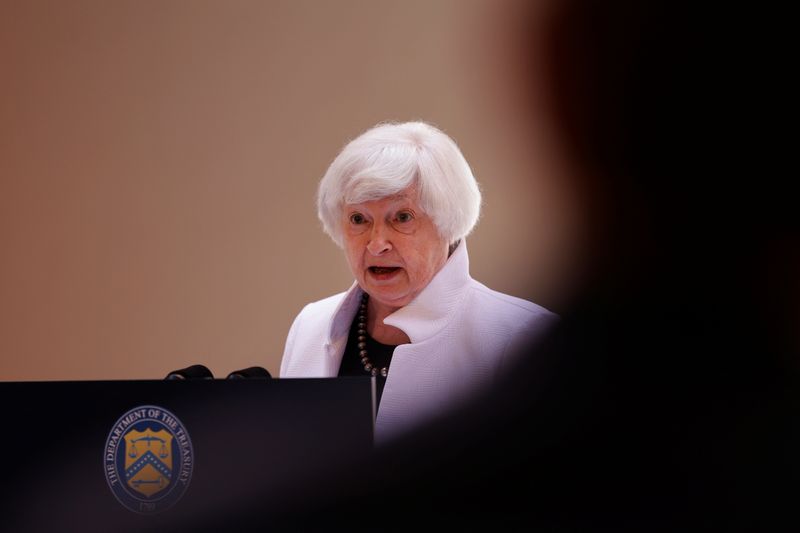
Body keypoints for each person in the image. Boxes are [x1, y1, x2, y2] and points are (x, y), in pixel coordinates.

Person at [279, 120, 558, 445]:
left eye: (402, 217)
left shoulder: (520, 336)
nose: (377, 243)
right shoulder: (311, 326)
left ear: (448, 223)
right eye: (359, 220)